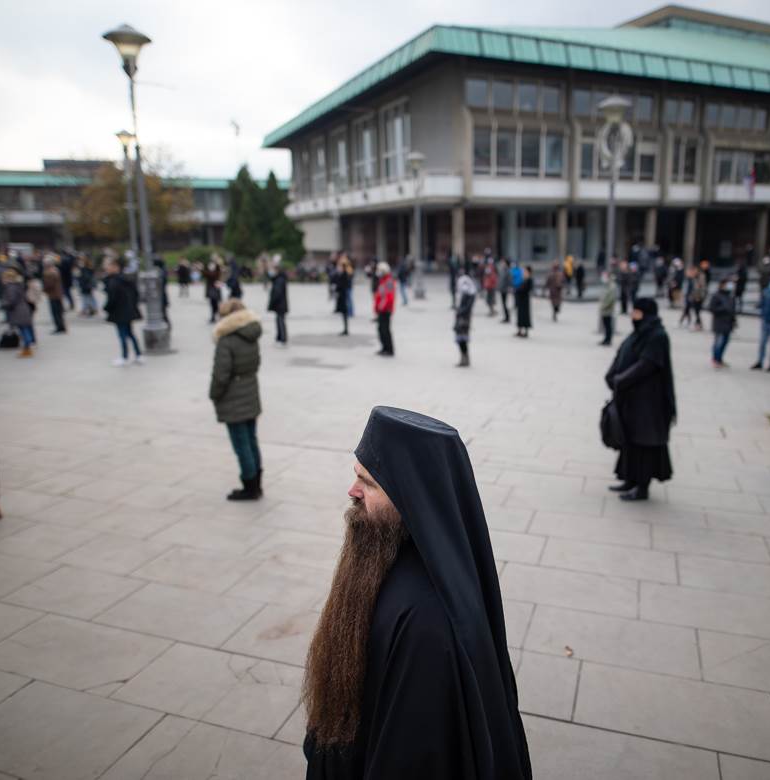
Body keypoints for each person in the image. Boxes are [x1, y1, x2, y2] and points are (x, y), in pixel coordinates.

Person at [302, 406, 532, 780]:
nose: (353, 491)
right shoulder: (385, 552)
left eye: (368, 483)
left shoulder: (428, 626)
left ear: (411, 498)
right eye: (356, 475)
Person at [605, 298, 676, 501]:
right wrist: (611, 376)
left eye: (636, 312)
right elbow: (622, 354)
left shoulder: (657, 336)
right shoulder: (638, 333)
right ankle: (630, 479)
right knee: (630, 440)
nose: (632, 316)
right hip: (632, 399)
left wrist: (620, 380)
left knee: (644, 443)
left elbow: (646, 365)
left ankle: (642, 487)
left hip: (649, 403)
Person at [210, 298, 264, 500]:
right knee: (251, 440)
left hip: (233, 398)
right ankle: (257, 483)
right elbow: (255, 363)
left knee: (241, 445)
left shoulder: (227, 340)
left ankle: (249, 487)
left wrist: (214, 394)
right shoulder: (251, 334)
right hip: (250, 393)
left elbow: (220, 375)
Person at [104, 259, 144, 366]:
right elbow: (136, 294)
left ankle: (124, 357)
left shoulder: (113, 281)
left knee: (122, 335)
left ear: (115, 267)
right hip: (128, 311)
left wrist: (106, 308)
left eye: (108, 266)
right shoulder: (126, 279)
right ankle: (138, 355)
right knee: (130, 334)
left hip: (119, 312)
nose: (106, 268)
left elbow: (112, 299)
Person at [0, 269, 35, 358]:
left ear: (8, 278)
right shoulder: (18, 285)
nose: (3, 280)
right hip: (23, 309)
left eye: (4, 278)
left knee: (23, 330)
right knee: (25, 328)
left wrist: (3, 304)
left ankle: (27, 348)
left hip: (18, 311)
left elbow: (11, 300)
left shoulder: (11, 287)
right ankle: (28, 346)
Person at [708, 277, 737, 367]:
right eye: (728, 284)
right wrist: (723, 309)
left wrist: (734, 320)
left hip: (728, 323)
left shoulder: (730, 296)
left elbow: (733, 310)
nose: (730, 286)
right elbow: (711, 308)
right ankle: (715, 359)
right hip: (719, 323)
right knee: (718, 342)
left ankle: (720, 359)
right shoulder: (716, 295)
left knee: (725, 342)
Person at [454, 268, 476, 367]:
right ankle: (463, 358)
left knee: (462, 339)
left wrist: (459, 312)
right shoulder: (465, 293)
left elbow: (467, 308)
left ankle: (465, 359)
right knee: (460, 339)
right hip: (461, 318)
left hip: (464, 319)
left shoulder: (469, 294)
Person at [374, 262, 396, 356]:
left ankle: (389, 349)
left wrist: (381, 307)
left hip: (386, 310)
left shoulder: (389, 281)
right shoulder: (382, 280)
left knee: (385, 330)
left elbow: (389, 297)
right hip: (381, 310)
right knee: (380, 329)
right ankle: (384, 348)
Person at [267, 255, 289, 344]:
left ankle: (283, 338)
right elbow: (271, 278)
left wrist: (272, 303)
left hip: (280, 304)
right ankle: (279, 337)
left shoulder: (280, 279)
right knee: (279, 320)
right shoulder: (278, 278)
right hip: (280, 304)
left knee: (280, 321)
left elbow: (277, 293)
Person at [42, 258, 66, 334]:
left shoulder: (49, 272)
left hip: (53, 294)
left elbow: (49, 284)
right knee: (59, 312)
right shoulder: (56, 270)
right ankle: (61, 326)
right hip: (58, 294)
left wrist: (44, 289)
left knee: (55, 312)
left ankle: (59, 327)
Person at [334, 257, 353, 336]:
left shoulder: (345, 274)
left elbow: (342, 285)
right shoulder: (342, 273)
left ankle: (346, 329)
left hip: (344, 295)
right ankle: (345, 329)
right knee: (343, 313)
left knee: (345, 312)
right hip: (342, 295)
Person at [599, 271, 618, 347]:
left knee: (608, 325)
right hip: (604, 309)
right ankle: (606, 339)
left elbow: (611, 299)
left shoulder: (612, 286)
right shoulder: (607, 285)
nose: (603, 278)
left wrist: (604, 306)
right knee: (605, 325)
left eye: (605, 276)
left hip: (608, 309)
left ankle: (608, 340)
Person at [514, 265, 533, 338]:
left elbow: (526, 289)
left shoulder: (529, 280)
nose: (523, 272)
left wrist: (518, 290)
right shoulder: (524, 279)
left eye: (525, 271)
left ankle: (526, 331)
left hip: (525, 300)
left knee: (525, 316)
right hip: (521, 300)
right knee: (520, 316)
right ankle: (520, 330)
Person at [498, 258, 512, 323]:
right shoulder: (503, 270)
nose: (502, 263)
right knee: (503, 304)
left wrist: (508, 288)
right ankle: (506, 317)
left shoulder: (507, 271)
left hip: (505, 290)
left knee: (505, 304)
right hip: (502, 289)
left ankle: (507, 317)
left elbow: (509, 280)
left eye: (503, 262)